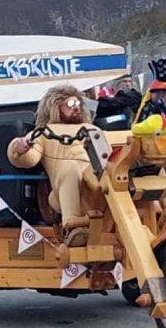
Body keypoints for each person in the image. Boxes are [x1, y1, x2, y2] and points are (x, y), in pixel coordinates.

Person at [7, 84, 99, 246]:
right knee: (70, 168)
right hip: (61, 193)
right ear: (56, 107)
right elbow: (30, 159)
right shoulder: (44, 132)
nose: (76, 108)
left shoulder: (93, 129)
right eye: (70, 105)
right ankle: (72, 226)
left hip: (94, 187)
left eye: (78, 104)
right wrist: (19, 148)